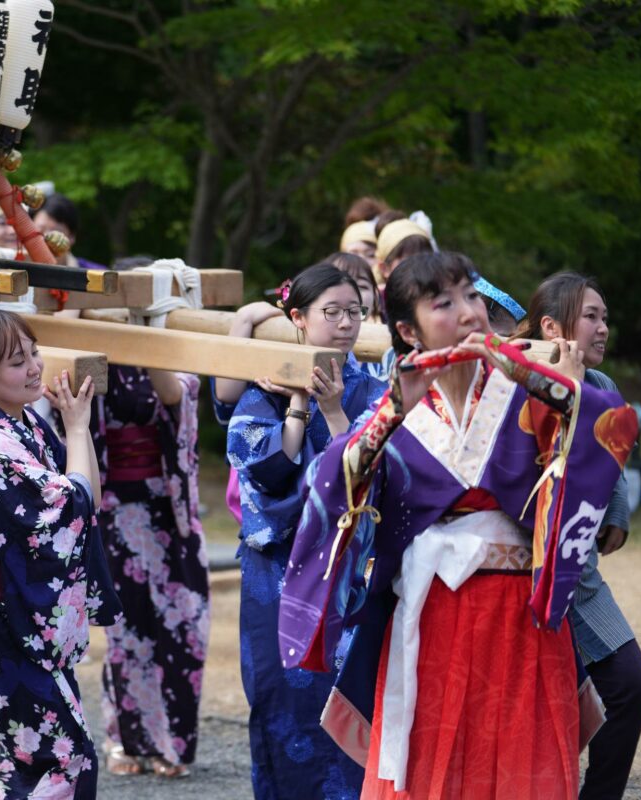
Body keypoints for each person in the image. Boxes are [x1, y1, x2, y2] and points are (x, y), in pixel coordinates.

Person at [278, 252, 636, 799]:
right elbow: (337, 480)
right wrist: (396, 407)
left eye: (471, 295)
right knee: (434, 773)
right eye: (443, 302)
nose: (468, 312)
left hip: (522, 620)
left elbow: (606, 426)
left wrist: (535, 378)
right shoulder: (394, 405)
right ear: (406, 329)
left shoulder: (527, 389)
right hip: (432, 620)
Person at [226, 263, 385, 799]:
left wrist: (335, 410)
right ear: (297, 317)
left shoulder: (372, 387)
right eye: (331, 312)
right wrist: (297, 404)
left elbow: (372, 472)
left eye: (354, 312)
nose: (345, 323)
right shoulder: (266, 386)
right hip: (276, 568)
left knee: (345, 695)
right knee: (278, 694)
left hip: (343, 570)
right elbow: (264, 472)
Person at [0, 307, 120, 799]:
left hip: (21, 619)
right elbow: (78, 501)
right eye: (16, 361)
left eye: (34, 353)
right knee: (63, 758)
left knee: (38, 762)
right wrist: (78, 427)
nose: (34, 368)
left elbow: (85, 502)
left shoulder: (21, 427)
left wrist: (75, 427)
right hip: (1, 624)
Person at [513, 272, 641, 800]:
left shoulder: (604, 387)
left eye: (605, 318)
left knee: (631, 687)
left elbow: (613, 450)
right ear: (551, 326)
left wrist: (617, 511)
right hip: (520, 575)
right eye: (590, 316)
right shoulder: (514, 383)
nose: (603, 328)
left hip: (578, 575)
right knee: (543, 714)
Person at [91, 296, 209, 778]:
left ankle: (171, 744)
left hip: (169, 512)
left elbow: (173, 396)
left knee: (183, 630)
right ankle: (122, 737)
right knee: (127, 631)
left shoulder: (173, 354)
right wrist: (100, 319)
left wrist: (145, 330)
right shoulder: (95, 357)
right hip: (117, 511)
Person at [32, 194, 105, 269]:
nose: (46, 238)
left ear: (72, 236)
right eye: (40, 229)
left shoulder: (98, 275)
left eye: (56, 233)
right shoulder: (20, 269)